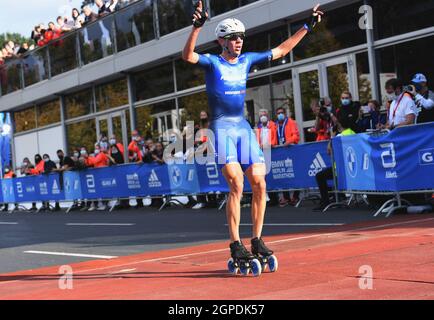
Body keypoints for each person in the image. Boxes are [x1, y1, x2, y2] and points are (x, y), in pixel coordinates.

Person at [183, 1, 323, 272]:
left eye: (242, 37)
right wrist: (196, 29)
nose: (239, 41)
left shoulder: (246, 60)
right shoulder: (212, 63)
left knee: (259, 183)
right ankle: (235, 243)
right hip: (222, 128)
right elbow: (188, 56)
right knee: (236, 184)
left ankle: (257, 240)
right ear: (221, 40)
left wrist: (308, 26)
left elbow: (282, 50)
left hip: (242, 128)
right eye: (234, 38)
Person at [314, 114, 356, 212]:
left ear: (340, 124)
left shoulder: (339, 136)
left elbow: (329, 151)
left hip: (340, 169)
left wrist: (332, 137)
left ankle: (325, 202)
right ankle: (338, 195)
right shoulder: (353, 132)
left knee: (319, 176)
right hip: (353, 168)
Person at [273, 107, 300, 207]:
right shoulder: (275, 125)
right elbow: (273, 138)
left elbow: (296, 136)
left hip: (291, 150)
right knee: (283, 172)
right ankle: (286, 197)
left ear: (285, 113)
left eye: (281, 113)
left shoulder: (291, 122)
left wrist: (288, 142)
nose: (280, 115)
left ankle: (296, 196)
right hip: (280, 152)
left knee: (295, 173)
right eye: (278, 113)